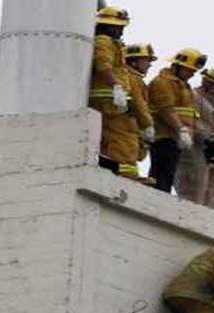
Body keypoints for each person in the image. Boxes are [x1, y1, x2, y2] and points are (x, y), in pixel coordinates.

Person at [89, 6, 143, 182]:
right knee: (122, 136)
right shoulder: (104, 41)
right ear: (108, 25)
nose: (121, 30)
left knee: (112, 138)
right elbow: (103, 65)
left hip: (111, 97)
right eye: (118, 26)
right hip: (107, 98)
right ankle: (125, 174)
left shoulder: (112, 43)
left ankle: (117, 171)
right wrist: (117, 87)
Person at [175, 66, 214, 209]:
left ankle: (209, 212)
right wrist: (206, 136)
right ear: (207, 81)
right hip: (195, 145)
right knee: (195, 179)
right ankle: (190, 209)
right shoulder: (192, 96)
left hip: (213, 146)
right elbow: (189, 120)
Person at [149, 48, 206, 193]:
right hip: (163, 135)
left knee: (169, 173)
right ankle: (157, 196)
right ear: (177, 66)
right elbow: (166, 109)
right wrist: (181, 128)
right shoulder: (163, 82)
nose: (192, 74)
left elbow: (189, 114)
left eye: (194, 71)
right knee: (161, 172)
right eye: (189, 70)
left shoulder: (183, 86)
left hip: (175, 136)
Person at [123, 43, 158, 182]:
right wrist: (147, 124)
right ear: (133, 61)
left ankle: (131, 176)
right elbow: (139, 104)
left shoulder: (133, 78)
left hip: (130, 123)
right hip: (125, 123)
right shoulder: (133, 79)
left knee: (131, 150)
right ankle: (128, 178)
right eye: (147, 60)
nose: (149, 65)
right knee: (126, 150)